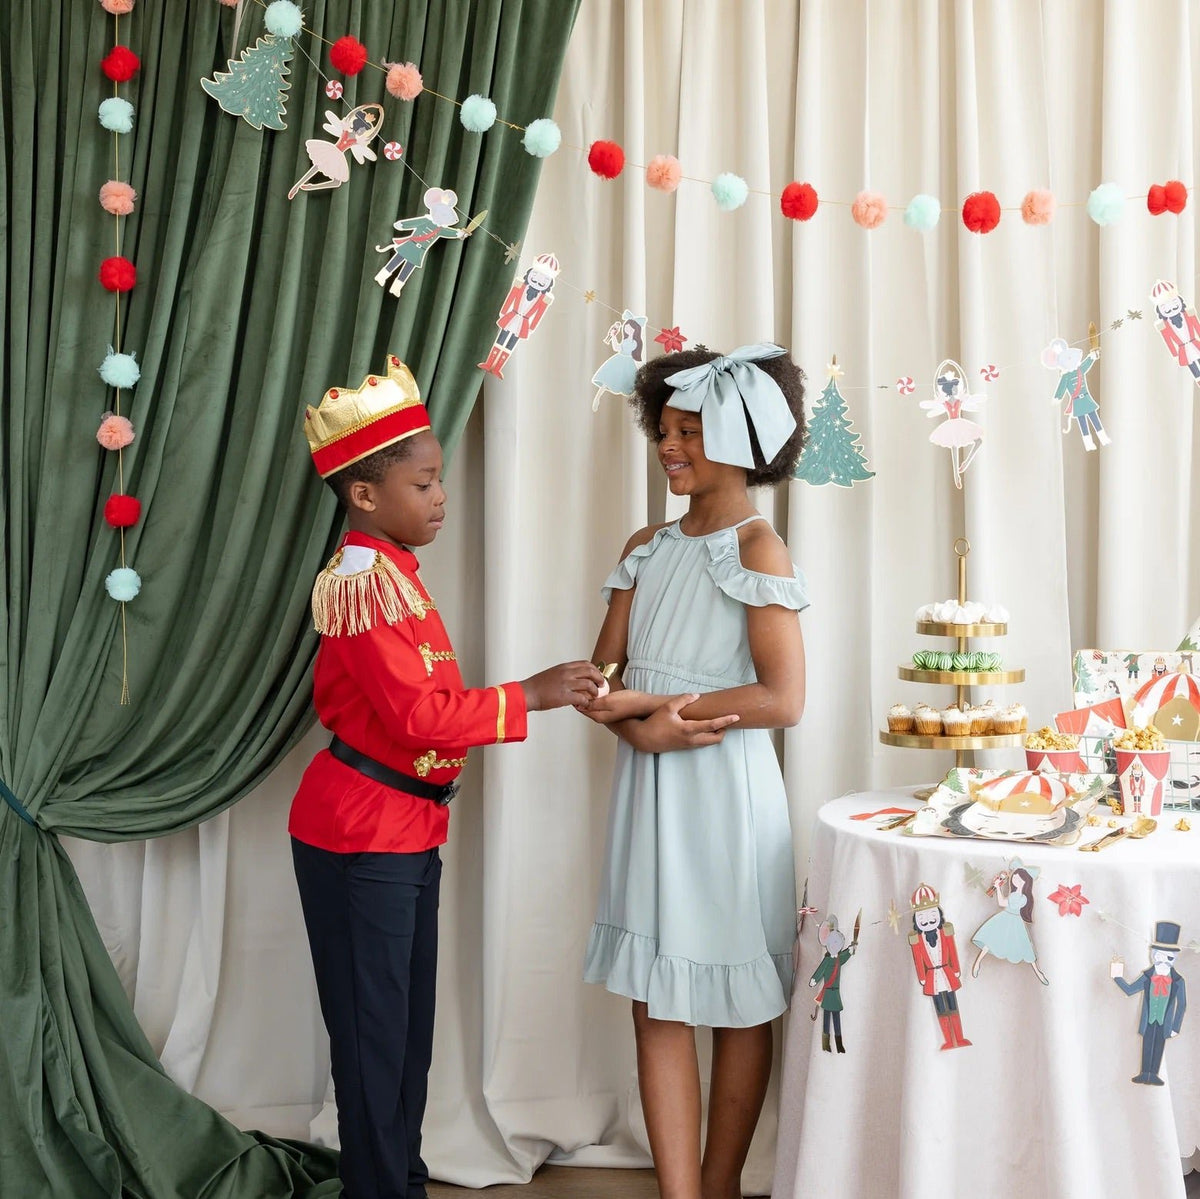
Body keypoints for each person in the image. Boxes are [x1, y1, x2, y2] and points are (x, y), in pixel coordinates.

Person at [291, 354, 603, 1199]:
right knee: (372, 1040)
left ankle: (400, 1182)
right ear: (364, 495)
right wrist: (531, 692)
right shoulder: (361, 582)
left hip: (401, 828)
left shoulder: (393, 575)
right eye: (424, 482)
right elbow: (421, 717)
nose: (439, 497)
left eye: (439, 480)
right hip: (359, 834)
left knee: (403, 1037)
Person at [580, 343, 808, 1199]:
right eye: (664, 430)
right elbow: (602, 678)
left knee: (739, 997)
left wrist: (670, 717)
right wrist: (639, 730)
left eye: (689, 432)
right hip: (655, 790)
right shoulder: (647, 546)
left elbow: (782, 698)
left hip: (725, 795)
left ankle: (718, 1187)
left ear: (743, 438)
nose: (669, 448)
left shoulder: (759, 547)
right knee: (660, 995)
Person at [1112, 921, 1188, 1085]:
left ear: (1173, 958)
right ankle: (1144, 1072)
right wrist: (1116, 974)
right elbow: (1130, 990)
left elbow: (1182, 1005)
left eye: (1167, 957)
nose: (1162, 961)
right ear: (1153, 954)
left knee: (1159, 1045)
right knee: (1147, 1044)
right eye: (1158, 956)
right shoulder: (1147, 977)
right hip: (1148, 1019)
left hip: (1165, 1022)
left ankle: (1153, 1074)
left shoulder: (1178, 981)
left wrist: (1175, 1027)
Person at [907, 883, 970, 1051]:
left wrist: (956, 968)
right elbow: (918, 959)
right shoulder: (917, 940)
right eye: (922, 917)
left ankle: (959, 1036)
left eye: (931, 914)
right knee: (941, 1009)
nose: (927, 920)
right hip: (932, 978)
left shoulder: (945, 932)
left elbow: (952, 952)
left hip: (946, 973)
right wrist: (921, 975)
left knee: (953, 1005)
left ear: (939, 914)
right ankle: (948, 1039)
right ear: (916, 920)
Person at [971, 863, 1048, 985]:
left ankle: (1037, 971)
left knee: (1025, 947)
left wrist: (999, 889)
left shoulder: (1023, 898)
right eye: (1014, 877)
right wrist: (997, 887)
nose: (1015, 880)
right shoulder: (1014, 894)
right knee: (991, 939)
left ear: (1025, 881)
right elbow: (1002, 902)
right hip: (1005, 917)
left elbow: (1004, 903)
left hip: (1013, 920)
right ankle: (977, 963)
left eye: (1018, 878)